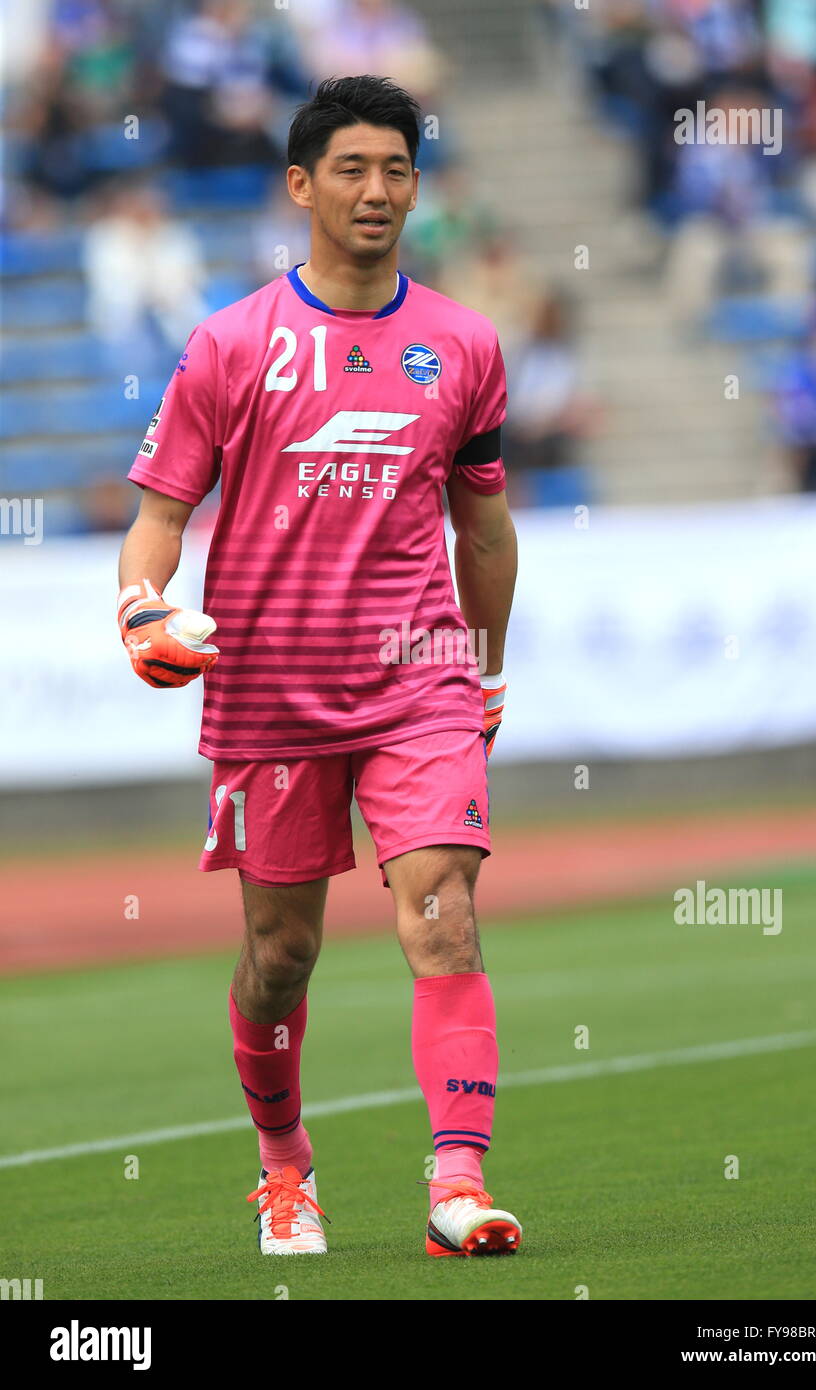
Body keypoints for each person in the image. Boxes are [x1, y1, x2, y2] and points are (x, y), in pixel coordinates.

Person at [117, 75, 521, 1260]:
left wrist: (484, 666)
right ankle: (284, 1167)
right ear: (301, 186)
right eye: (350, 169)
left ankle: (457, 1186)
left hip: (419, 676)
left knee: (441, 915)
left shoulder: (463, 343)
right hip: (270, 691)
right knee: (279, 958)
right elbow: (158, 516)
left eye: (395, 169)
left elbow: (483, 527)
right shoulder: (231, 343)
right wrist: (143, 610)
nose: (376, 191)